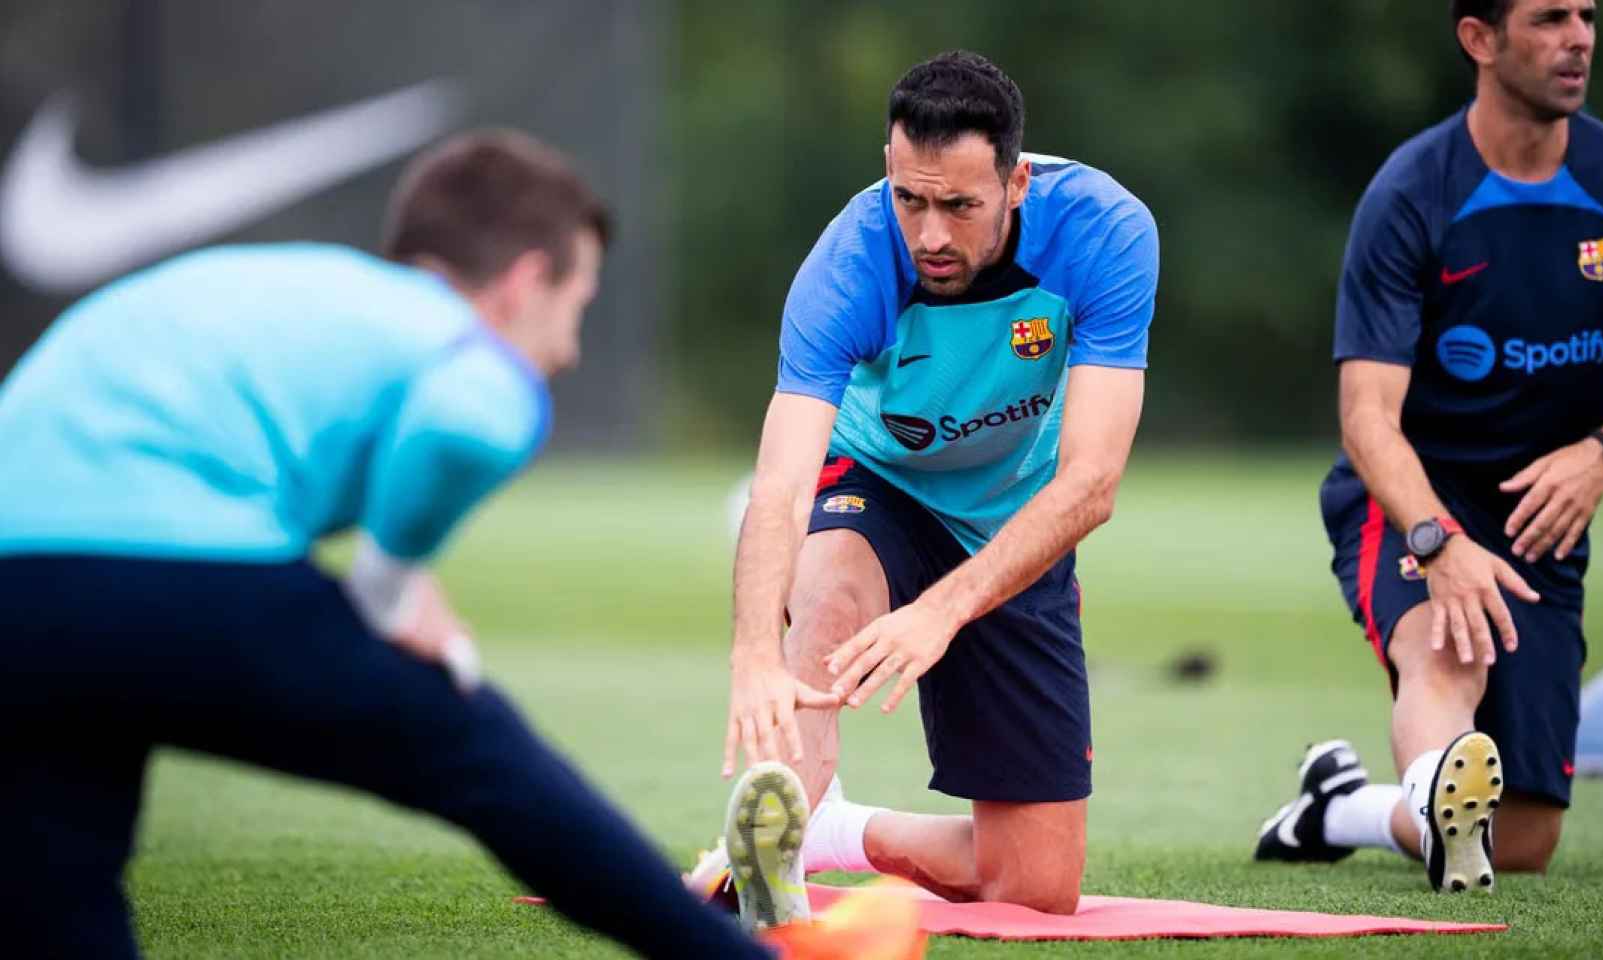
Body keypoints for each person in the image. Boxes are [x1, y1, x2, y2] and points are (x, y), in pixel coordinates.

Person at [0, 130, 795, 958]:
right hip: (169, 571)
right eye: (577, 304)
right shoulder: (449, 336)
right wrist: (387, 585)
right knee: (475, 747)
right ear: (525, 283)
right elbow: (465, 423)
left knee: (61, 890)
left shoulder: (304, 290)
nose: (570, 348)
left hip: (14, 591)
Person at [700, 50, 1158, 926]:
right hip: (877, 479)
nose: (931, 235)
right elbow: (781, 487)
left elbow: (1092, 483)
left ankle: (833, 832)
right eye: (910, 199)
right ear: (887, 170)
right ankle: (770, 870)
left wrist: (941, 611)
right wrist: (755, 652)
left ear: (1017, 182)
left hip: (1016, 514)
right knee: (828, 597)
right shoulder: (846, 266)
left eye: (959, 204)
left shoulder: (1106, 231)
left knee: (1034, 888)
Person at [1254, 0, 1603, 893]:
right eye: (1548, 18)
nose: (1578, 37)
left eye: (1586, 15)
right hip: (1410, 495)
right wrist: (1437, 540)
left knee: (1525, 842)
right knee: (1446, 654)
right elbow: (1368, 415)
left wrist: (1600, 453)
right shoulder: (1414, 191)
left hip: (1543, 516)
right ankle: (1430, 794)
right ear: (1479, 40)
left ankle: (1336, 807)